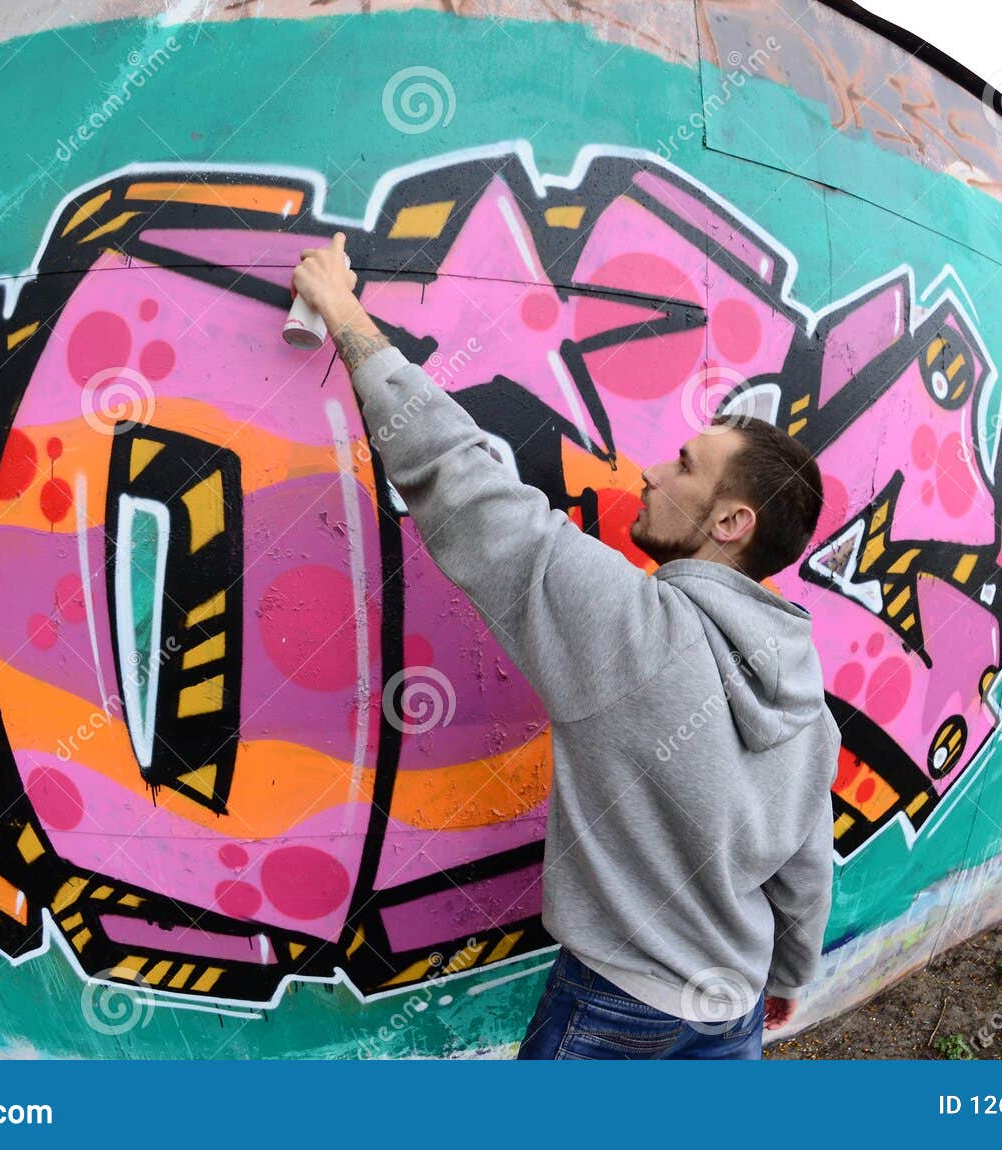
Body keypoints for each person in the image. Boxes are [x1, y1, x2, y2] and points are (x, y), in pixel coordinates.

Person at [292, 233, 839, 1060]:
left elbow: (468, 483)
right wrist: (791, 973)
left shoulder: (636, 631)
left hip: (617, 1013)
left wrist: (343, 311)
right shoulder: (808, 699)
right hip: (733, 1004)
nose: (653, 472)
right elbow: (805, 869)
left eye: (686, 467)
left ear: (731, 524)